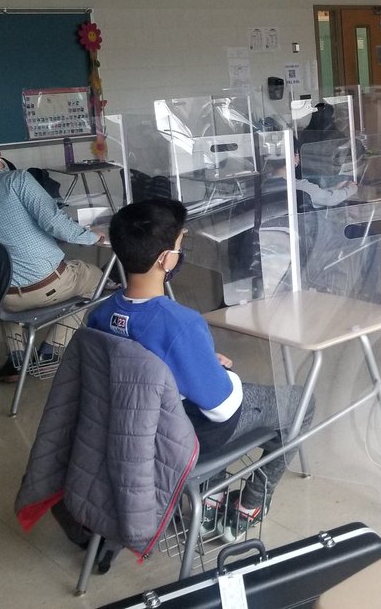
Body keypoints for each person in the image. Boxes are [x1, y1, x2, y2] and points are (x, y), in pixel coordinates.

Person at [88, 198, 312, 536]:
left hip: (133, 430)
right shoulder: (180, 322)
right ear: (166, 259)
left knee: (205, 392)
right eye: (180, 245)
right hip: (181, 437)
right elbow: (222, 409)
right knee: (299, 403)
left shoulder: (100, 314)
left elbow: (143, 370)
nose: (180, 253)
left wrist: (200, 364)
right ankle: (250, 504)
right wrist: (219, 373)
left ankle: (209, 502)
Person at [0, 139, 104, 382]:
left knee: (5, 280)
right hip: (44, 288)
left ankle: (17, 358)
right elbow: (55, 223)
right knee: (95, 278)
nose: (1, 157)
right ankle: (51, 353)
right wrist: (92, 237)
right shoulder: (17, 180)